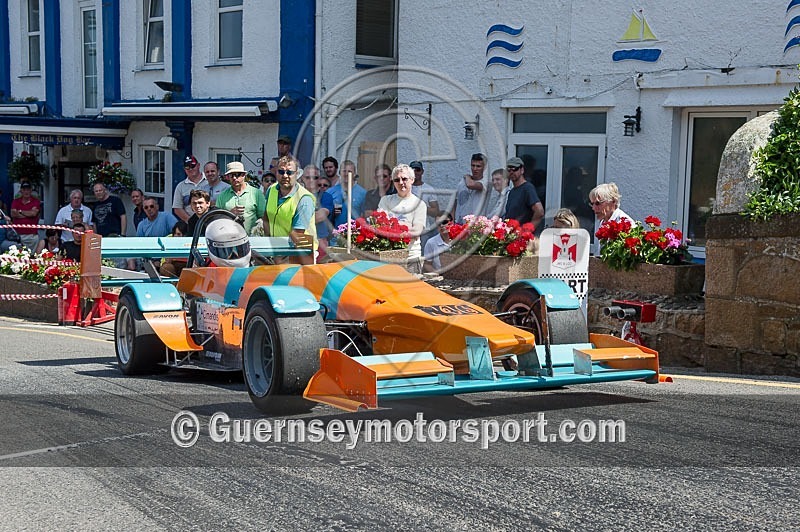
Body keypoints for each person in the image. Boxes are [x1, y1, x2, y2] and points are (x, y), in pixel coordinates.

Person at [263, 156, 317, 264]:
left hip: (300, 254)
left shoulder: (304, 199)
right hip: (278, 251)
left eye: (289, 172)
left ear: (297, 174)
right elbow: (266, 218)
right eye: (281, 171)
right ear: (276, 173)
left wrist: (277, 256)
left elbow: (297, 237)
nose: (285, 176)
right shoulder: (271, 190)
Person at [378, 164, 428, 273]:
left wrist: (391, 228)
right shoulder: (385, 201)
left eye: (404, 179)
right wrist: (405, 227)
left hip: (411, 258)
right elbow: (379, 226)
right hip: (388, 257)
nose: (401, 183)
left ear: (412, 180)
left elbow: (416, 231)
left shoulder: (420, 204)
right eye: (396, 180)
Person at [216, 161, 266, 234]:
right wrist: (230, 214)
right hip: (229, 238)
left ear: (244, 175)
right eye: (231, 175)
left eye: (237, 174)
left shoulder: (256, 193)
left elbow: (263, 217)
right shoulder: (222, 196)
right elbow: (217, 219)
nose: (234, 178)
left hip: (252, 239)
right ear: (227, 177)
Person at [504, 157, 544, 227]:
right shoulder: (512, 192)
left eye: (515, 169)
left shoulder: (527, 188)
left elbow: (539, 211)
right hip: (510, 234)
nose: (512, 172)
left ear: (522, 170)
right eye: (509, 170)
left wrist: (527, 230)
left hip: (520, 235)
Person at [302, 164, 334, 252]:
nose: (311, 180)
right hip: (300, 240)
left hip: (320, 241)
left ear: (319, 179)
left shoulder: (326, 196)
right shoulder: (296, 195)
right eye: (308, 177)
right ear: (302, 178)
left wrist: (299, 218)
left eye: (315, 178)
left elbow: (320, 216)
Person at [409, 160, 442, 246]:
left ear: (422, 171)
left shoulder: (429, 189)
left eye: (418, 170)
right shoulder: (404, 187)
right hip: (407, 228)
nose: (415, 172)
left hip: (424, 230)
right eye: (412, 170)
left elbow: (436, 212)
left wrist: (420, 206)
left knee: (423, 256)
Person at [172, 155, 209, 223]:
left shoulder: (209, 181)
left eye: (193, 166)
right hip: (189, 224)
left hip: (209, 221)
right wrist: (191, 221)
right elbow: (177, 208)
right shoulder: (180, 186)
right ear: (184, 169)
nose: (190, 169)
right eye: (187, 167)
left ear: (198, 165)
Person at [453, 153, 488, 223]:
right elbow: (456, 201)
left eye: (478, 166)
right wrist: (452, 219)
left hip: (476, 225)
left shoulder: (485, 182)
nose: (475, 169)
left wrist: (467, 176)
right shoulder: (462, 182)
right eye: (473, 165)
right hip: (459, 222)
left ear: (484, 167)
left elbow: (470, 185)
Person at [333, 159, 367, 227]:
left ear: (354, 174)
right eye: (344, 171)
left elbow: (365, 216)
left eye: (349, 171)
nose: (346, 174)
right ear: (339, 173)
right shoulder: (331, 192)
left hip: (356, 234)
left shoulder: (363, 193)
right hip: (336, 235)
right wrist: (332, 213)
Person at [10, 182, 41, 252]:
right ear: (21, 190)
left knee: (32, 257)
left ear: (31, 190)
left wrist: (20, 211)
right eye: (24, 189)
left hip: (31, 235)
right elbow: (13, 214)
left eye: (28, 189)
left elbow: (33, 213)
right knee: (18, 257)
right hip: (18, 235)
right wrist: (28, 213)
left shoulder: (36, 201)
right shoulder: (16, 201)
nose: (26, 191)